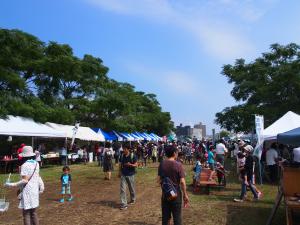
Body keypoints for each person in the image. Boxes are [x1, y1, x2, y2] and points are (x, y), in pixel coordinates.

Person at [5, 146, 44, 225]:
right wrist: (41, 186)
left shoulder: (24, 165)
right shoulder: (36, 164)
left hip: (27, 191)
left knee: (26, 214)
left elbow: (25, 180)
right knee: (33, 213)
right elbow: (37, 176)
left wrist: (12, 184)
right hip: (34, 190)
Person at [158, 145, 189, 225]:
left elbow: (158, 180)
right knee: (177, 217)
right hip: (176, 194)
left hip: (165, 194)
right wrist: (185, 195)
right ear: (174, 153)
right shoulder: (178, 165)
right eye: (177, 152)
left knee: (165, 217)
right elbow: (182, 182)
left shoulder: (162, 164)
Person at [119, 143, 138, 210]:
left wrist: (130, 165)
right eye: (123, 148)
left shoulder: (133, 155)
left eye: (124, 149)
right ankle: (124, 204)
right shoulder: (122, 155)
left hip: (131, 174)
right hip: (123, 174)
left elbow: (136, 165)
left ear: (128, 149)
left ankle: (133, 199)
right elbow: (120, 164)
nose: (123, 150)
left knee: (131, 188)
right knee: (122, 189)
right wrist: (119, 172)